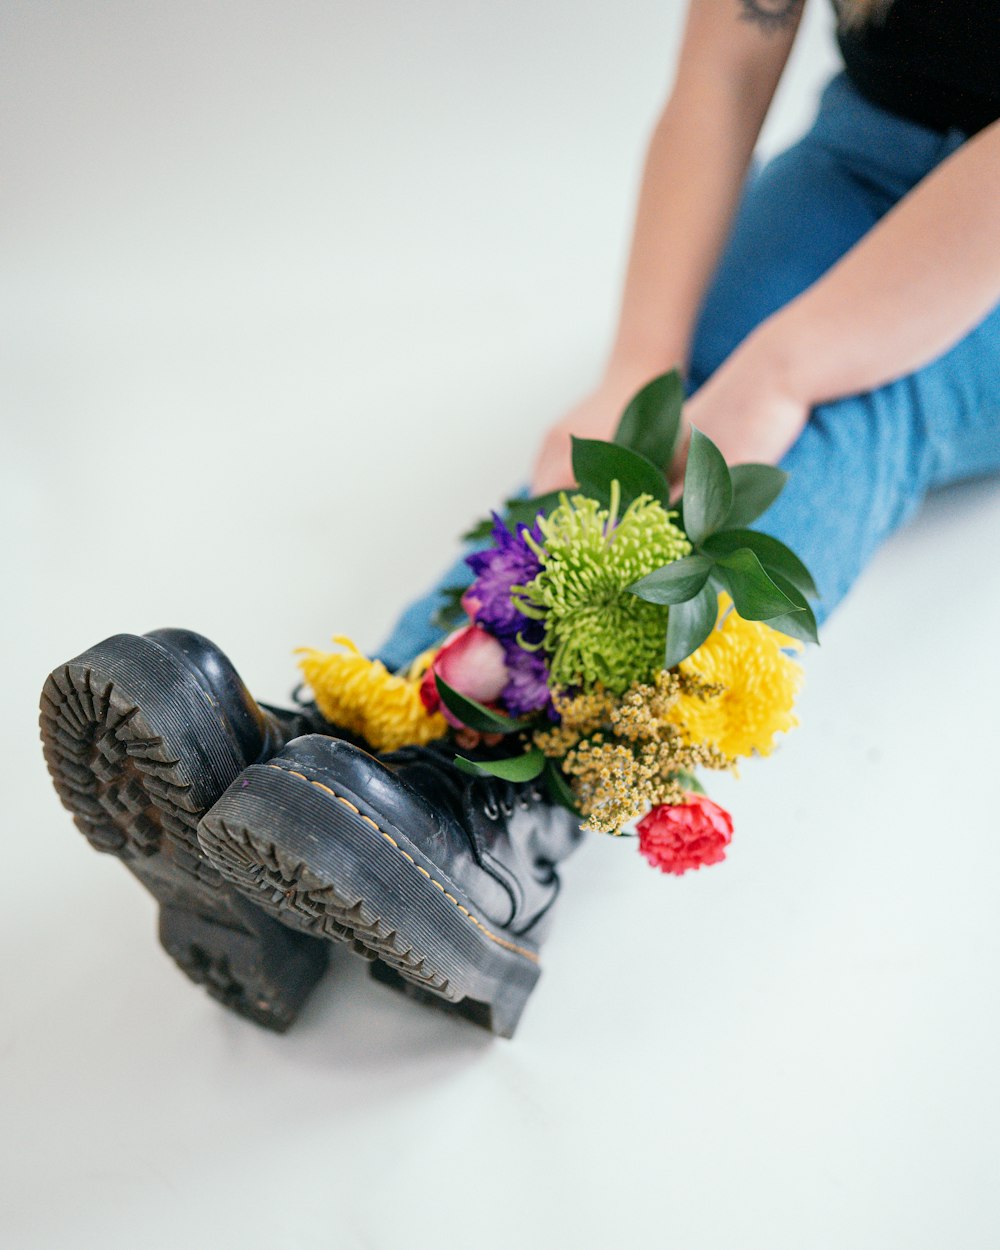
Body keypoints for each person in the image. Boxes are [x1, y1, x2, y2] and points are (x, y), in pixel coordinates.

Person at [40, 0, 1000, 1037]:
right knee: (666, 427)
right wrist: (639, 374)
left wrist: (786, 366)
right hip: (862, 151)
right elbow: (723, 75)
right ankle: (354, 756)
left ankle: (500, 828)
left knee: (849, 412)